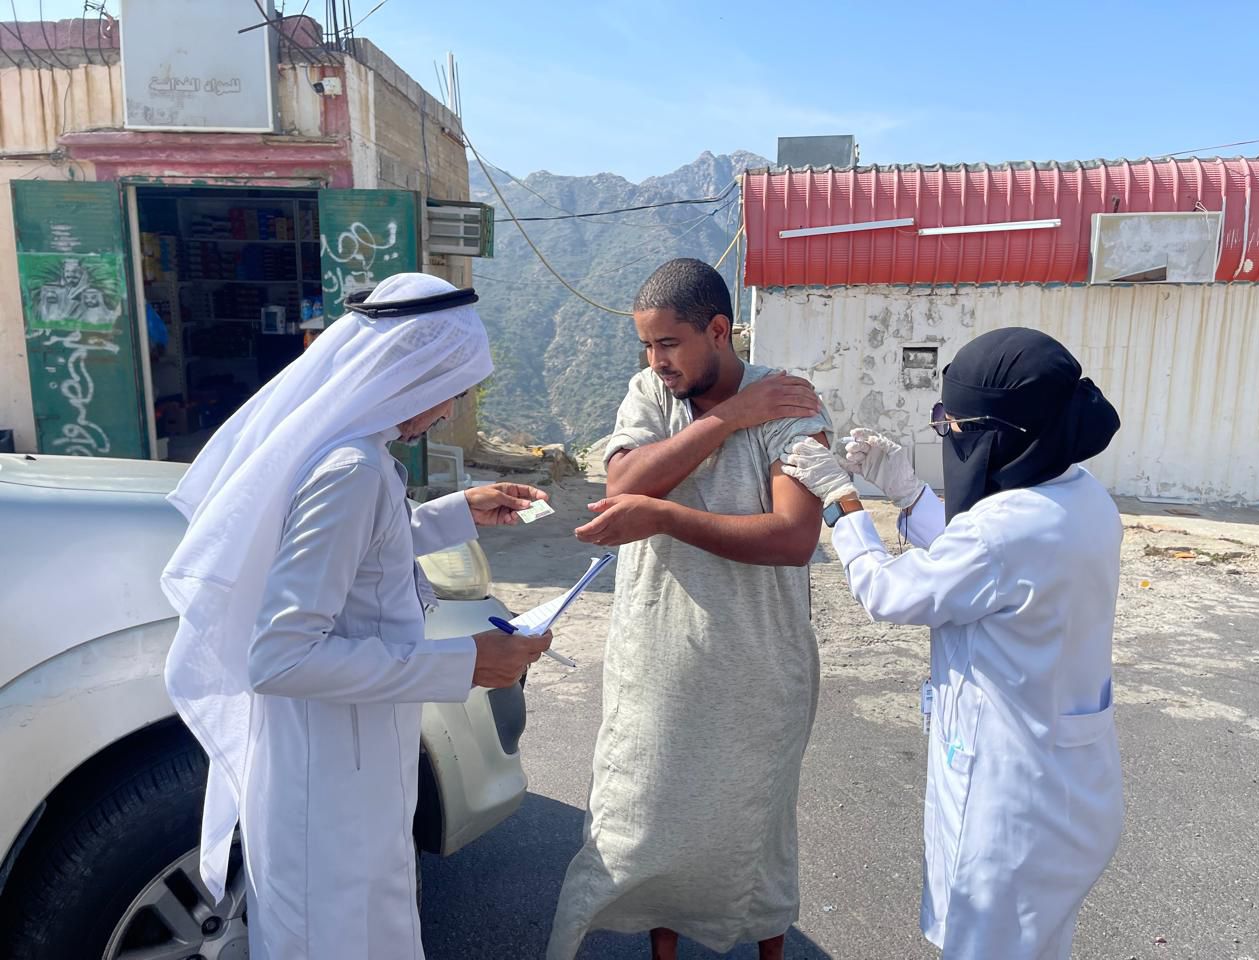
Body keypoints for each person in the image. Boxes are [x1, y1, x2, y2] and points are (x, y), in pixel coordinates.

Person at [160, 273, 553, 960]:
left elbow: (366, 554)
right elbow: (280, 656)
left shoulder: (359, 458)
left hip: (352, 779)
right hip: (328, 799)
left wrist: (459, 513)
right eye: (453, 385)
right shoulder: (351, 470)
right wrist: (467, 663)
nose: (450, 406)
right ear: (415, 372)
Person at [779, 327, 1125, 960]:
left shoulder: (1005, 530)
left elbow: (891, 592)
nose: (949, 435)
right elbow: (982, 573)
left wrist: (841, 503)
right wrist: (909, 492)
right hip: (1072, 785)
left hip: (1014, 806)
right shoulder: (1079, 497)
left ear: (1007, 432)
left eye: (956, 427)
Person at [546, 259, 831, 960]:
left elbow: (794, 538)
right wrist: (732, 417)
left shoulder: (792, 404)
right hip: (656, 660)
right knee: (649, 820)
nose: (654, 361)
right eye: (646, 346)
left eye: (668, 344)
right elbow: (623, 483)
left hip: (759, 669)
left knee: (752, 832)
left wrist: (667, 519)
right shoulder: (650, 393)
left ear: (718, 330)